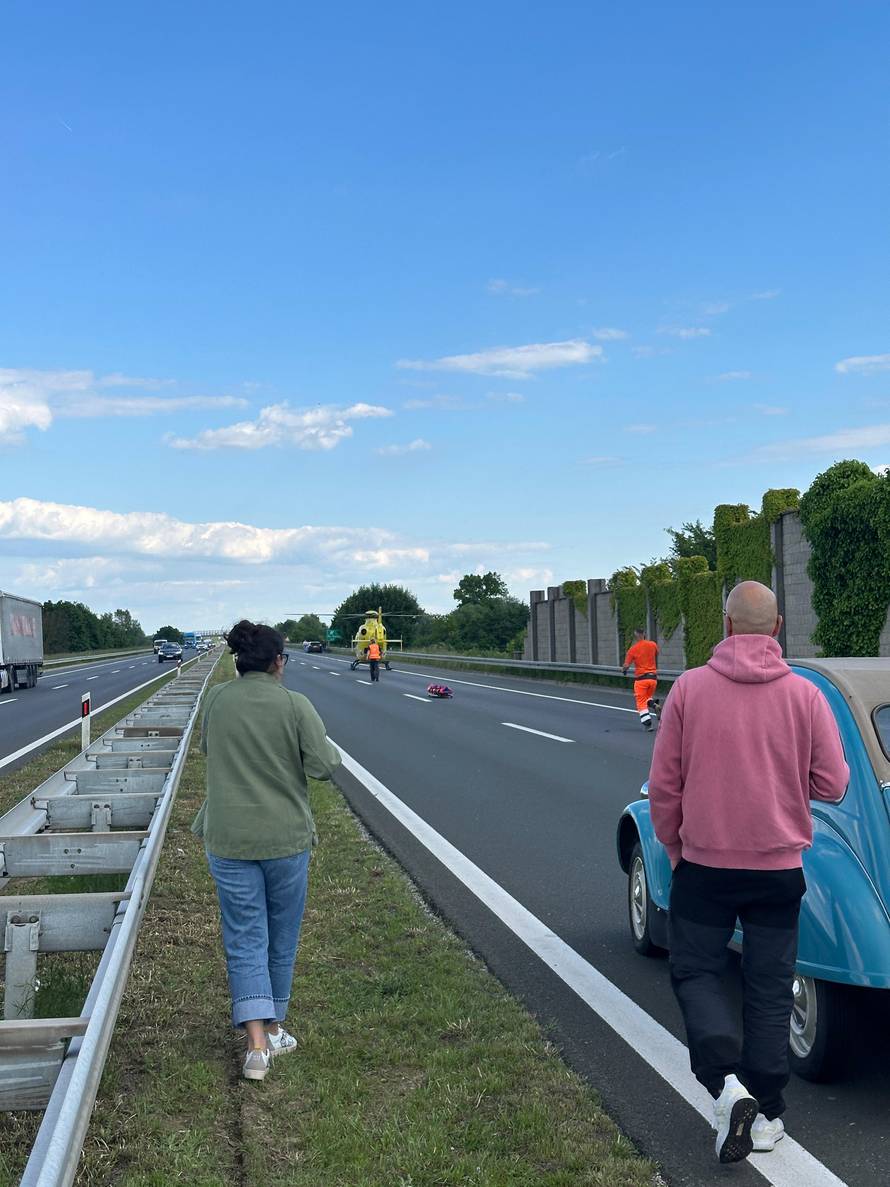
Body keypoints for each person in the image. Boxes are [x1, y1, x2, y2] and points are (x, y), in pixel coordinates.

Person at [648, 581, 848, 1164]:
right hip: (779, 871)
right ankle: (768, 1114)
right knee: (769, 989)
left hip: (705, 867)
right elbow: (833, 784)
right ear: (778, 627)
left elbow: (664, 786)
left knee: (695, 972)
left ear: (727, 624)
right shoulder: (806, 696)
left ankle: (726, 1085)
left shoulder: (689, 689)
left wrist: (676, 847)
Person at [192, 619, 341, 1081]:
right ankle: (275, 1026)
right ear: (278, 661)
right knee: (281, 935)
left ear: (239, 660)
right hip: (285, 838)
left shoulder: (217, 699)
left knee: (244, 935)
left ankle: (257, 1043)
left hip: (229, 837)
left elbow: (207, 747)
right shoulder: (295, 705)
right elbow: (324, 766)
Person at [622, 626, 660, 730]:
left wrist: (624, 670)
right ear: (644, 634)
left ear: (635, 637)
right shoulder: (652, 644)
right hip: (653, 679)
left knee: (641, 702)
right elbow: (657, 653)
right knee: (647, 697)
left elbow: (626, 665)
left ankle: (648, 724)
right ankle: (655, 705)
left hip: (641, 680)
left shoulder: (632, 649)